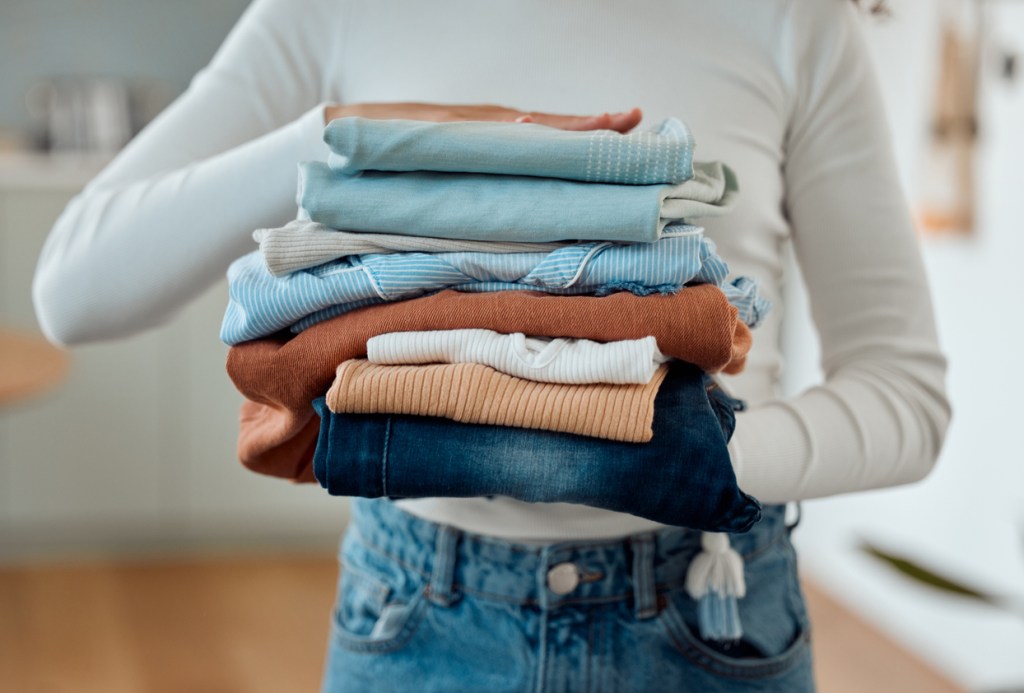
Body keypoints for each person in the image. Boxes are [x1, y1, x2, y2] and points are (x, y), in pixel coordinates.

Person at [32, 0, 951, 690]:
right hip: (416, 619)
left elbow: (906, 398)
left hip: (710, 618)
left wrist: (687, 454)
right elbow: (74, 289)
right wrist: (348, 144)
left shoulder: (792, 16)